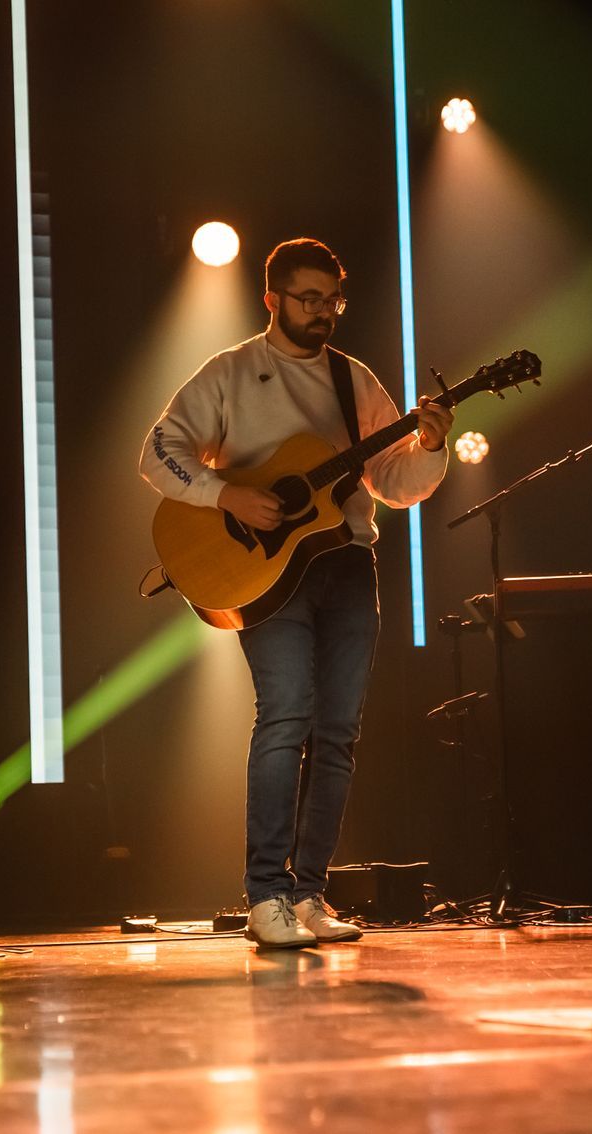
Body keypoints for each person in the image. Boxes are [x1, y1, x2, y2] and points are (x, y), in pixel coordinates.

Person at [137, 237, 453, 947]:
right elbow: (158, 452)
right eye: (309, 299)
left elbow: (393, 487)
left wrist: (428, 448)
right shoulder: (230, 372)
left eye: (334, 300)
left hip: (346, 566)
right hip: (264, 576)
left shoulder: (353, 380)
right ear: (272, 298)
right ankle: (264, 897)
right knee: (286, 716)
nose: (323, 313)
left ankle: (309, 896)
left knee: (337, 734)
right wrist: (229, 496)